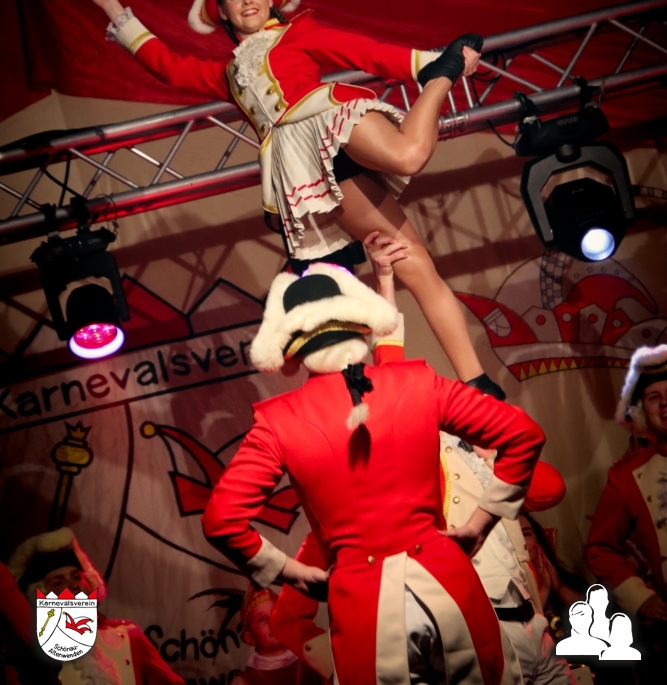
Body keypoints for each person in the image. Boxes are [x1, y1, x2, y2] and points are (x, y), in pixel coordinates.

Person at [76, 0, 500, 391]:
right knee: (410, 261)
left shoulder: (298, 32)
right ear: (222, 12)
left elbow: (362, 50)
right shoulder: (226, 73)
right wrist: (112, 8)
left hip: (328, 118)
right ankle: (477, 380)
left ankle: (439, 75)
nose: (247, 1)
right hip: (302, 165)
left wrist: (422, 62)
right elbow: (167, 65)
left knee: (408, 154)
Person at [201, 255, 545, 684]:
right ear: (359, 326)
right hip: (450, 583)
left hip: (363, 607)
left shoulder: (279, 421)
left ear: (294, 348)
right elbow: (523, 434)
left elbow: (221, 520)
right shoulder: (418, 382)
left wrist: (289, 572)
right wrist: (481, 523)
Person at [7, 527, 185, 685]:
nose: (73, 585)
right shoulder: (29, 657)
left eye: (76, 577)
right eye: (58, 582)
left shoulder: (128, 636)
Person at [586, 343, 667, 677]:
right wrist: (640, 597)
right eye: (654, 397)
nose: (665, 404)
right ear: (643, 411)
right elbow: (600, 550)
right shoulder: (626, 476)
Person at [234, 585, 323, 685]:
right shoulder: (245, 682)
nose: (271, 622)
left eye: (274, 614)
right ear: (250, 638)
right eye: (261, 619)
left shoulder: (315, 663)